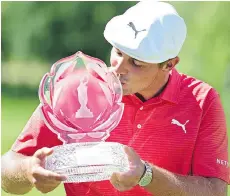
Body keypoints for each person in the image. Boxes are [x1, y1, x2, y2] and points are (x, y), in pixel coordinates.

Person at [1, 1, 229, 196]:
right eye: (118, 52)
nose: (118, 68)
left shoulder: (202, 100)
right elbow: (6, 171)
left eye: (136, 62)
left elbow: (214, 191)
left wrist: (146, 175)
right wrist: (29, 169)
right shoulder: (76, 88)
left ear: (169, 64)